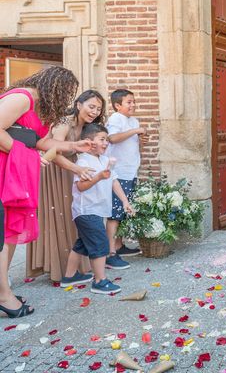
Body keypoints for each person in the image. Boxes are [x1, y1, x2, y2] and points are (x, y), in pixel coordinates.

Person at [0, 66, 92, 318]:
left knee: (8, 233)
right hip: (2, 171)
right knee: (0, 235)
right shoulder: (22, 98)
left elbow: (40, 142)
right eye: (66, 91)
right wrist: (24, 156)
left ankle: (2, 290)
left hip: (12, 173)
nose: (66, 98)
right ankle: (4, 296)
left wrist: (73, 144)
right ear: (54, 87)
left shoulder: (42, 109)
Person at [27, 90, 106, 283]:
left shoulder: (87, 127)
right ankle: (60, 269)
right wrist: (76, 169)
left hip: (75, 174)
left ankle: (73, 269)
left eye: (98, 109)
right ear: (79, 104)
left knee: (75, 219)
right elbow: (52, 149)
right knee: (61, 217)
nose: (95, 111)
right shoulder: (65, 122)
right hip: (57, 172)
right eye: (91, 106)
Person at [63, 123, 133, 294]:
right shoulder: (84, 160)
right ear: (89, 141)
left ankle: (69, 277)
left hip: (97, 210)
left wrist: (125, 201)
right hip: (86, 210)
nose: (105, 143)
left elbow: (114, 181)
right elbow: (80, 186)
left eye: (106, 140)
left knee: (82, 244)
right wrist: (99, 177)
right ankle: (100, 281)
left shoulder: (104, 160)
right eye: (102, 139)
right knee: (100, 244)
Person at [105, 89, 145, 269]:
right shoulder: (115, 119)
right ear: (117, 105)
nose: (133, 105)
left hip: (130, 171)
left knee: (122, 211)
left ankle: (119, 246)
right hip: (119, 173)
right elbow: (112, 138)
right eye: (129, 102)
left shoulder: (133, 120)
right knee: (114, 213)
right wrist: (135, 130)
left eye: (134, 101)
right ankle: (110, 253)